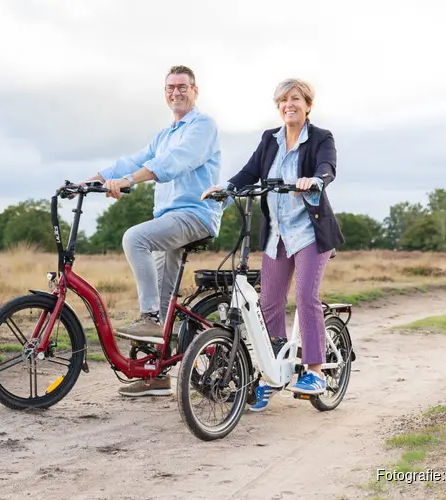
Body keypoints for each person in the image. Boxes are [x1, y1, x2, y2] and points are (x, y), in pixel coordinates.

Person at [79, 65, 223, 397]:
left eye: (183, 87)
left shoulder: (202, 126)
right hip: (169, 220)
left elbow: (175, 162)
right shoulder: (163, 135)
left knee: (135, 237)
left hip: (195, 214)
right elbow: (131, 160)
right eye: (170, 87)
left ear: (195, 90)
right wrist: (88, 181)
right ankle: (157, 374)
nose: (176, 92)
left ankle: (148, 317)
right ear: (165, 93)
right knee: (164, 303)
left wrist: (128, 182)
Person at [201, 78, 344, 411]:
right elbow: (250, 172)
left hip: (310, 232)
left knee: (306, 297)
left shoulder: (321, 138)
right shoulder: (270, 140)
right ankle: (271, 373)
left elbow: (328, 167)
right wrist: (224, 189)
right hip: (277, 233)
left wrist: (315, 181)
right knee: (268, 303)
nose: (288, 104)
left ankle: (314, 370)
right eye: (283, 100)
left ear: (308, 105)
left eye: (295, 99)